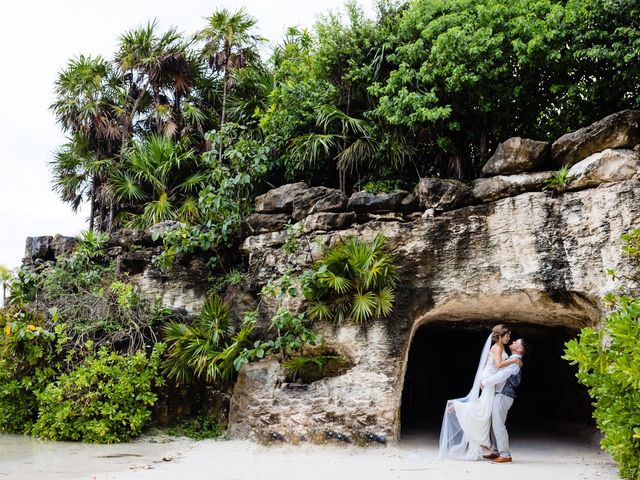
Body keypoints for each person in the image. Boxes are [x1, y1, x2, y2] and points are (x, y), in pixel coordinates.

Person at [438, 325, 522, 460]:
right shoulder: (498, 347)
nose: (509, 338)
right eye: (507, 335)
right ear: (500, 336)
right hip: (489, 379)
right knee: (483, 410)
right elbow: (499, 364)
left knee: (484, 409)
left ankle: (486, 446)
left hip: (489, 379)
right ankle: (458, 406)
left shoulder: (499, 347)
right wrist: (514, 360)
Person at [481, 338, 526, 463]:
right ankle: (495, 451)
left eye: (517, 342)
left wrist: (485, 382)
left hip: (503, 395)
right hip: (498, 394)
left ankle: (505, 454)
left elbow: (502, 375)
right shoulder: (511, 360)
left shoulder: (515, 362)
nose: (513, 341)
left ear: (519, 349)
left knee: (499, 425)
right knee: (493, 424)